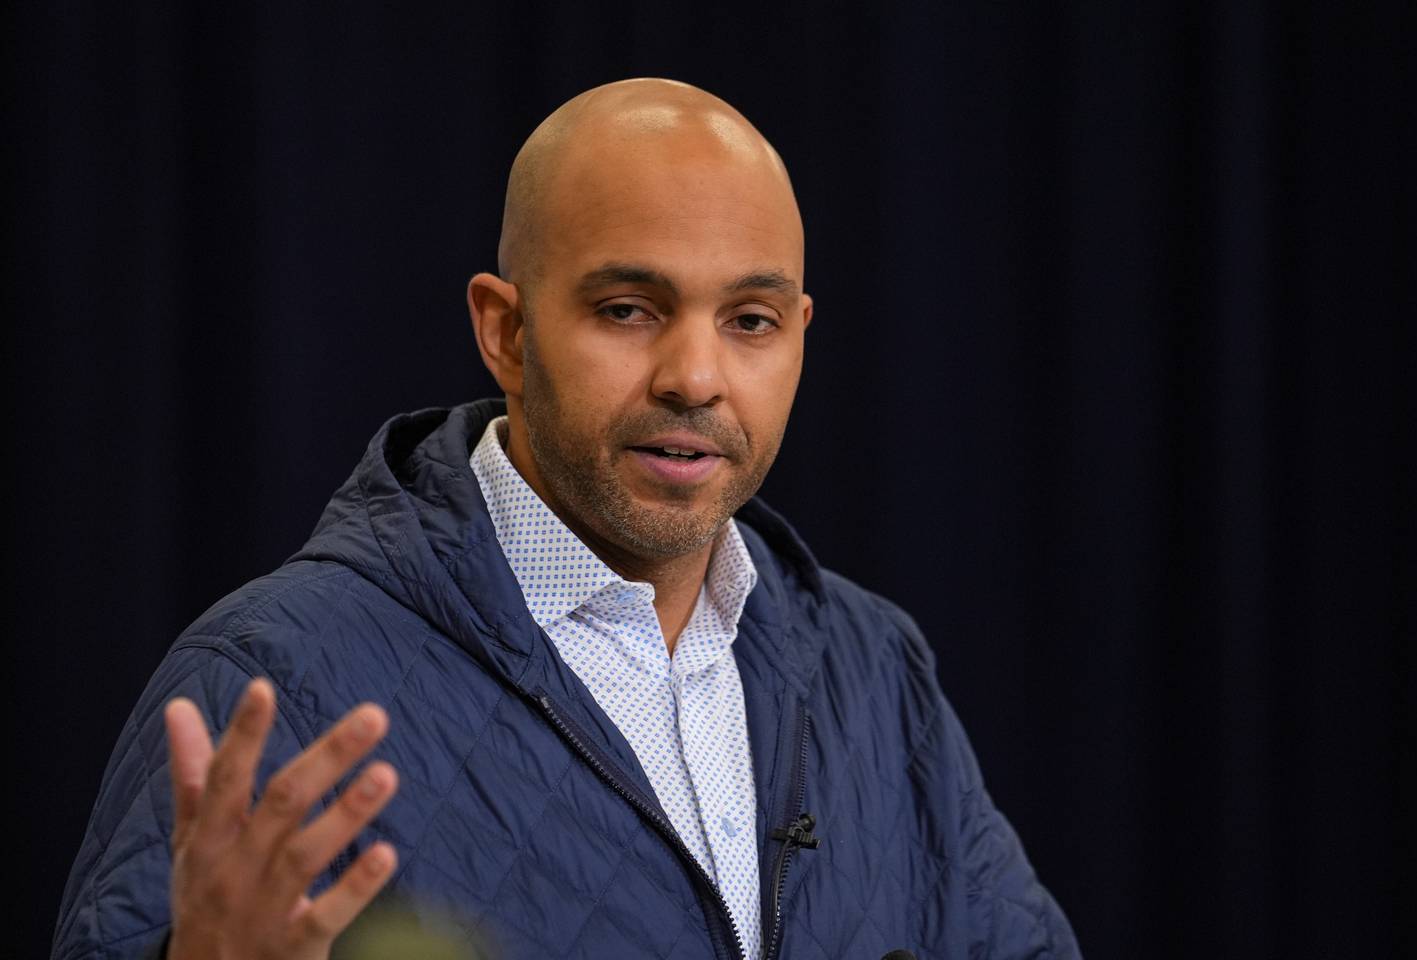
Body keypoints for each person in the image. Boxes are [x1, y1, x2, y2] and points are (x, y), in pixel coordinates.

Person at [53, 78, 1080, 960]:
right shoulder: (270, 682)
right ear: (505, 329)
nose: (695, 378)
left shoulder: (875, 670)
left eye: (750, 321)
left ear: (801, 336)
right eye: (628, 309)